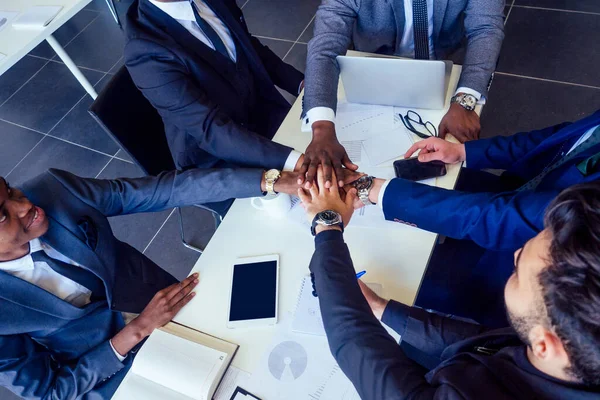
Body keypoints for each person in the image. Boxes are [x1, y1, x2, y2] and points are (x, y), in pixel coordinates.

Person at [0, 166, 314, 399]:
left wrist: (264, 181)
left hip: (178, 306)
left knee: (276, 360)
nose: (25, 205)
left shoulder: (53, 190)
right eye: (2, 215)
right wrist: (136, 332)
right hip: (114, 376)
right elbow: (51, 392)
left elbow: (162, 190)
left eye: (11, 191)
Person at [300, 169, 600, 399]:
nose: (516, 253)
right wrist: (382, 309)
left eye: (520, 272)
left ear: (545, 345)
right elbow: (488, 340)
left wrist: (327, 225)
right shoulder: (572, 345)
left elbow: (353, 341)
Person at [347, 110, 600, 327]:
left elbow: (502, 218)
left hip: (507, 269)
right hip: (515, 192)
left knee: (392, 277)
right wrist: (463, 151)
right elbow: (561, 140)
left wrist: (377, 191)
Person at [299, 0, 505, 189]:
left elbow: (485, 29)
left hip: (446, 65)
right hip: (374, 66)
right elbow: (325, 47)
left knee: (453, 165)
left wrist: (464, 100)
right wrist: (322, 126)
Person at [124, 0, 305, 172]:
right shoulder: (144, 53)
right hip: (220, 160)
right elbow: (212, 130)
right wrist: (296, 161)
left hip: (265, 113)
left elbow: (249, 48)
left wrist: (302, 84)